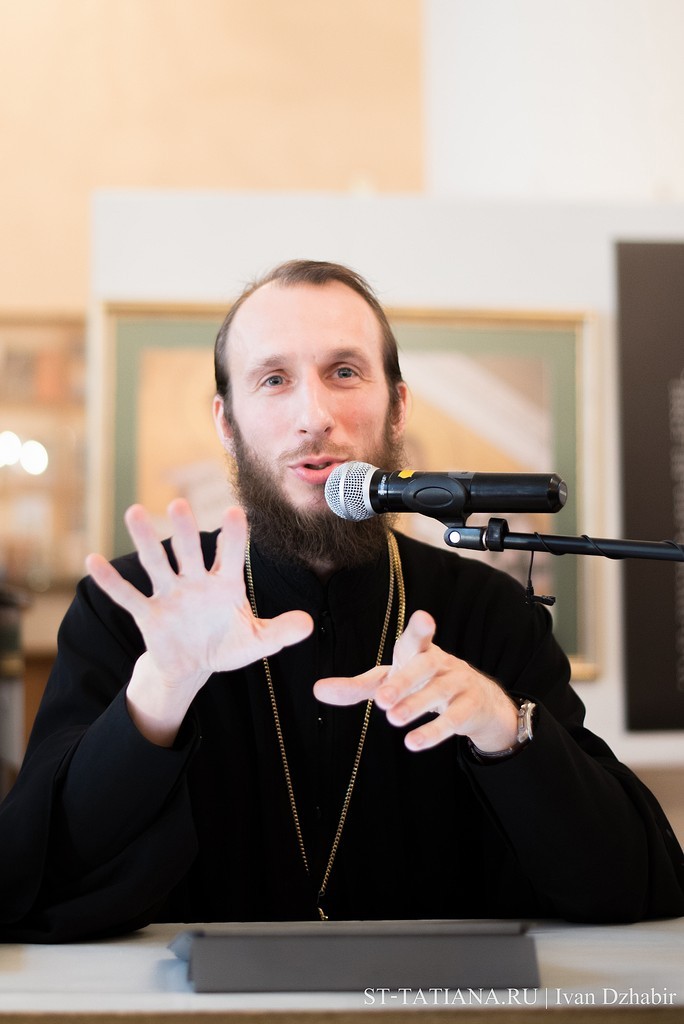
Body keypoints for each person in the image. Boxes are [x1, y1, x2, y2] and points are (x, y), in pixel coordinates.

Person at [1, 260, 682, 943]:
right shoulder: (134, 610)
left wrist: (505, 730)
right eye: (274, 380)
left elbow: (637, 882)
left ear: (398, 407)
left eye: (345, 372)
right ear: (227, 422)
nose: (314, 417)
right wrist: (160, 691)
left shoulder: (491, 613)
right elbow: (29, 880)